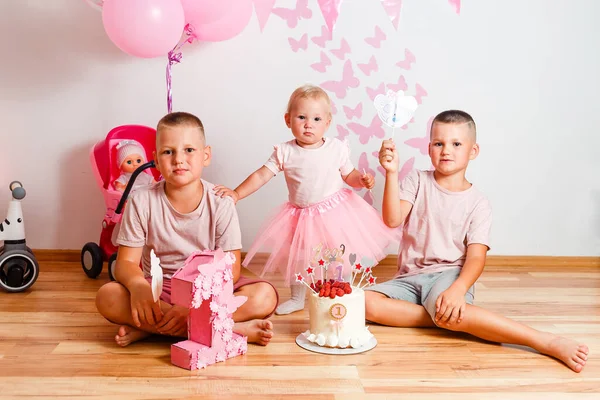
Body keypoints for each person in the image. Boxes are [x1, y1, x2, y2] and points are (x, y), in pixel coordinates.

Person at [365, 110, 589, 372]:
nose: (446, 150)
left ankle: (544, 341)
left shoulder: (478, 204)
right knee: (362, 303)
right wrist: (390, 173)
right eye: (439, 143)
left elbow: (476, 258)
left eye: (456, 144)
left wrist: (458, 289)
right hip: (409, 278)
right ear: (429, 148)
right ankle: (442, 317)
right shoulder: (417, 180)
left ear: (473, 151)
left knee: (446, 305)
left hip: (447, 276)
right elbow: (392, 220)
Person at [96, 112, 279, 347]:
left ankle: (154, 330)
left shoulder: (221, 202)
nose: (178, 159)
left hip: (209, 288)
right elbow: (126, 264)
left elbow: (230, 270)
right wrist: (138, 286)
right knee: (107, 297)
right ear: (156, 159)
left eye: (189, 150)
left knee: (265, 296)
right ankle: (226, 329)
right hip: (160, 288)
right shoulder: (140, 200)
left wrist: (193, 304)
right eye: (168, 152)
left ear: (206, 156)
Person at [214, 84, 398, 315]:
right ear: (288, 120)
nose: (308, 124)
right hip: (300, 216)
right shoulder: (285, 151)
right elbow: (262, 175)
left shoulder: (336, 148)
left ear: (327, 123)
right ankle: (297, 298)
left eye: (316, 119)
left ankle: (344, 292)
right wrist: (237, 193)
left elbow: (348, 175)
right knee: (299, 259)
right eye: (301, 117)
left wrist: (361, 180)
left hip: (335, 213)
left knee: (338, 257)